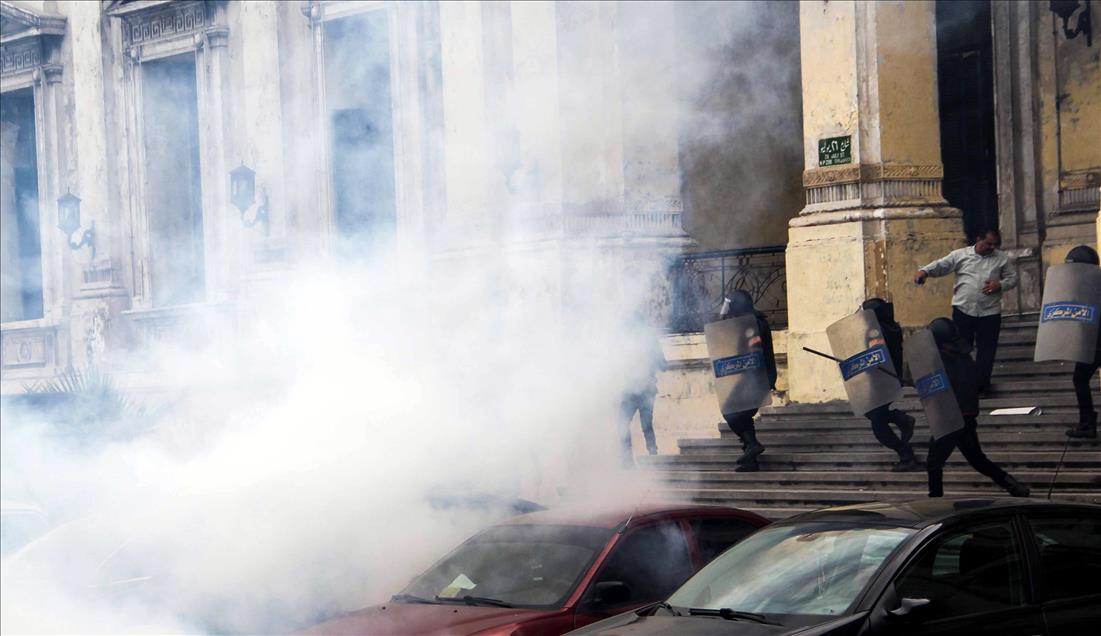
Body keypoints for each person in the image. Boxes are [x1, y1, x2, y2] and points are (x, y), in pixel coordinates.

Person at [925, 317, 1030, 498]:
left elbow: (937, 386)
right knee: (977, 459)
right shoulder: (963, 357)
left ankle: (935, 501)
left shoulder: (941, 360)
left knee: (934, 462)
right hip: (967, 416)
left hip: (950, 418)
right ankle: (1012, 485)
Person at [914, 228, 1018, 393]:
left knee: (987, 351)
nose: (991, 247)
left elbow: (1013, 278)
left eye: (994, 245)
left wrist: (1000, 285)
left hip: (990, 312)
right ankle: (964, 383)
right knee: (962, 349)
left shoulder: (1001, 258)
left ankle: (982, 385)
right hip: (964, 310)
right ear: (979, 239)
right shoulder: (961, 255)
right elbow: (942, 265)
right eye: (988, 243)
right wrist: (924, 271)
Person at [717, 290, 776, 472]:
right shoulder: (749, 321)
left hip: (756, 376)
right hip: (750, 376)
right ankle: (751, 457)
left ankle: (752, 445)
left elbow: (753, 350)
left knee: (730, 410)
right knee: (740, 412)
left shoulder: (753, 324)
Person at [860, 298, 921, 472]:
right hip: (891, 379)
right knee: (871, 412)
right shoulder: (892, 327)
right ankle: (901, 419)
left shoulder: (875, 332)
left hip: (880, 381)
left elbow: (876, 357)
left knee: (878, 425)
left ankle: (905, 454)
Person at [1064, 245, 1101, 439]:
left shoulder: (1086, 285)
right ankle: (1087, 423)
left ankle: (1087, 423)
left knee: (1080, 379)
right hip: (1093, 343)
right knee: (1080, 379)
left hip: (1095, 343)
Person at [619, 332, 666, 466]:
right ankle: (631, 460)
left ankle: (650, 456)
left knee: (644, 425)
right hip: (631, 391)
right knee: (627, 425)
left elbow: (663, 365)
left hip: (644, 390)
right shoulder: (625, 343)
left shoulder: (649, 344)